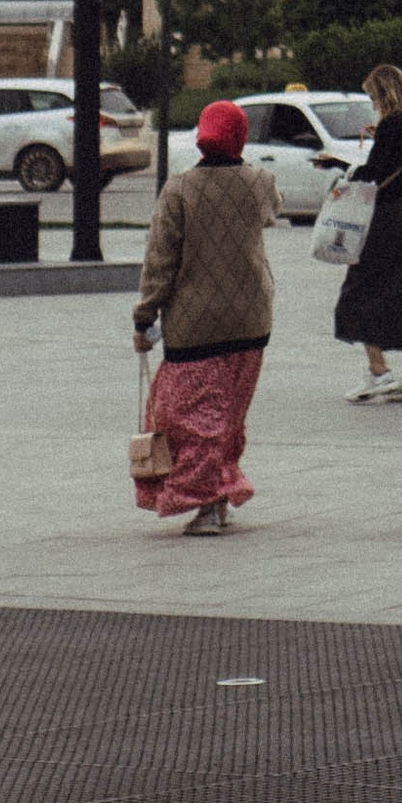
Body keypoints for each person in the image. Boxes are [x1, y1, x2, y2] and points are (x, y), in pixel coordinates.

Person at [132, 99, 276, 535]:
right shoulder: (260, 181)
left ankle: (207, 503)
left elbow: (160, 262)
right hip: (252, 323)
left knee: (186, 417)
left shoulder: (178, 190)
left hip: (195, 327)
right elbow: (274, 210)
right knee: (227, 418)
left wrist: (144, 317)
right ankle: (222, 492)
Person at [335, 60, 402, 403]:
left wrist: (347, 173)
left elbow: (375, 173)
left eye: (373, 97)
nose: (373, 104)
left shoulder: (391, 124)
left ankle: (378, 372)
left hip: (386, 215)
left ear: (383, 93)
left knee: (360, 289)